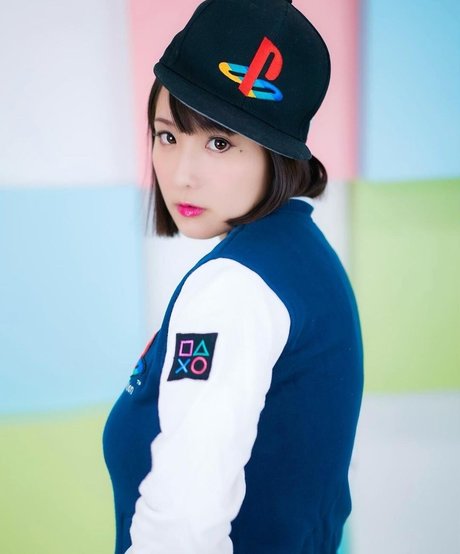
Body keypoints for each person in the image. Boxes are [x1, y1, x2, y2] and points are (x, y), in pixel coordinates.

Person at [103, 0, 364, 552]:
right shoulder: (299, 255)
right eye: (168, 136)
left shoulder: (235, 288)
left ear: (276, 155)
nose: (182, 174)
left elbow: (182, 526)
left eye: (220, 143)